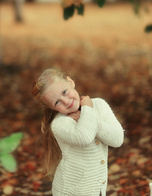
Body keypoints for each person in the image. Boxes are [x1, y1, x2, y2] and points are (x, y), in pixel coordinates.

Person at [32, 68, 124, 196]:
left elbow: (117, 139)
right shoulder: (60, 124)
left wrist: (89, 114)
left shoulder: (99, 105)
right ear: (51, 107)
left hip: (96, 189)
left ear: (70, 82)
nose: (66, 101)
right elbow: (85, 137)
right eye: (57, 102)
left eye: (64, 92)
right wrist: (87, 109)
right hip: (71, 190)